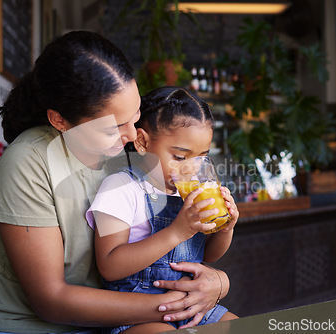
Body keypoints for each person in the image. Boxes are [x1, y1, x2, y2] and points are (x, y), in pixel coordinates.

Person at [0, 31, 231, 334]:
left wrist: (218, 283)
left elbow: (174, 247)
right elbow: (51, 300)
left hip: (112, 320)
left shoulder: (127, 155)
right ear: (60, 121)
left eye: (134, 118)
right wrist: (182, 304)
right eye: (114, 128)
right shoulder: (30, 160)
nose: (133, 136)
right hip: (27, 328)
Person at [86, 87, 239, 334]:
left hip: (193, 307)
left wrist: (225, 228)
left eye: (202, 157)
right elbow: (109, 266)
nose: (191, 169)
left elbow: (208, 255)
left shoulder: (188, 192)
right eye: (179, 157)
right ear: (142, 142)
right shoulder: (120, 188)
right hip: (138, 314)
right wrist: (177, 232)